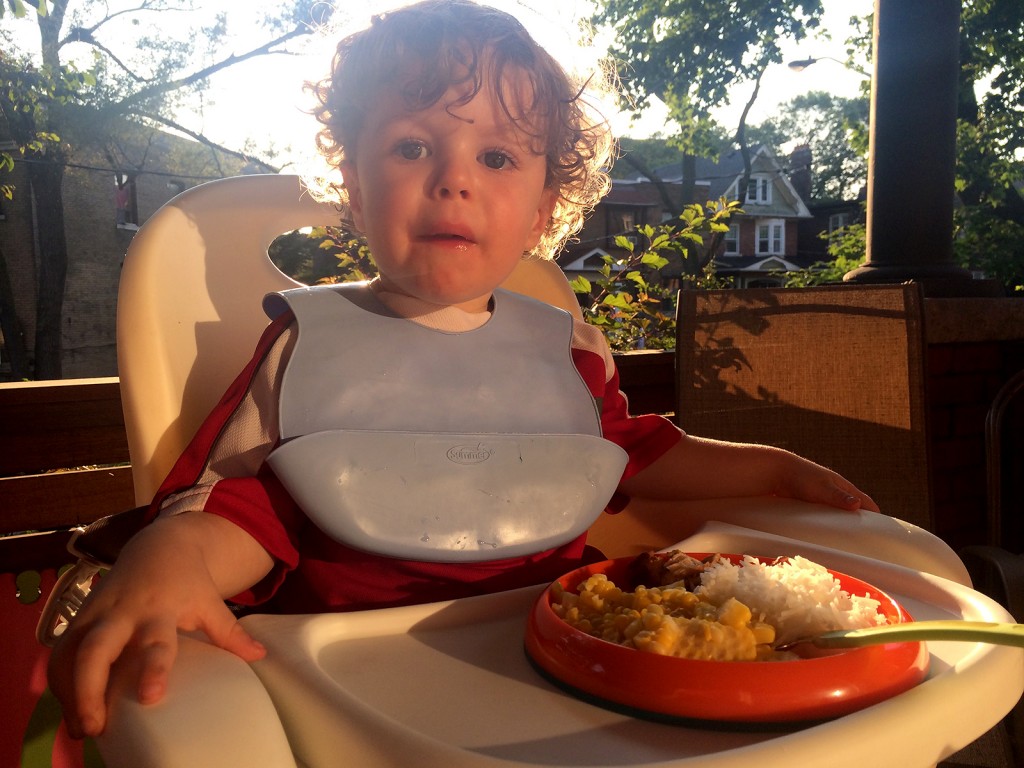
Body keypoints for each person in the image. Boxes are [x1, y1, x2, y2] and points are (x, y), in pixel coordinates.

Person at [48, 0, 878, 740]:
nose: (452, 180)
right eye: (412, 147)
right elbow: (242, 509)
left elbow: (630, 458)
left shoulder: (568, 352)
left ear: (545, 208)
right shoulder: (309, 346)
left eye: (498, 158)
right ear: (356, 188)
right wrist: (171, 564)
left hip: (565, 652)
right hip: (356, 676)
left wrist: (770, 465)